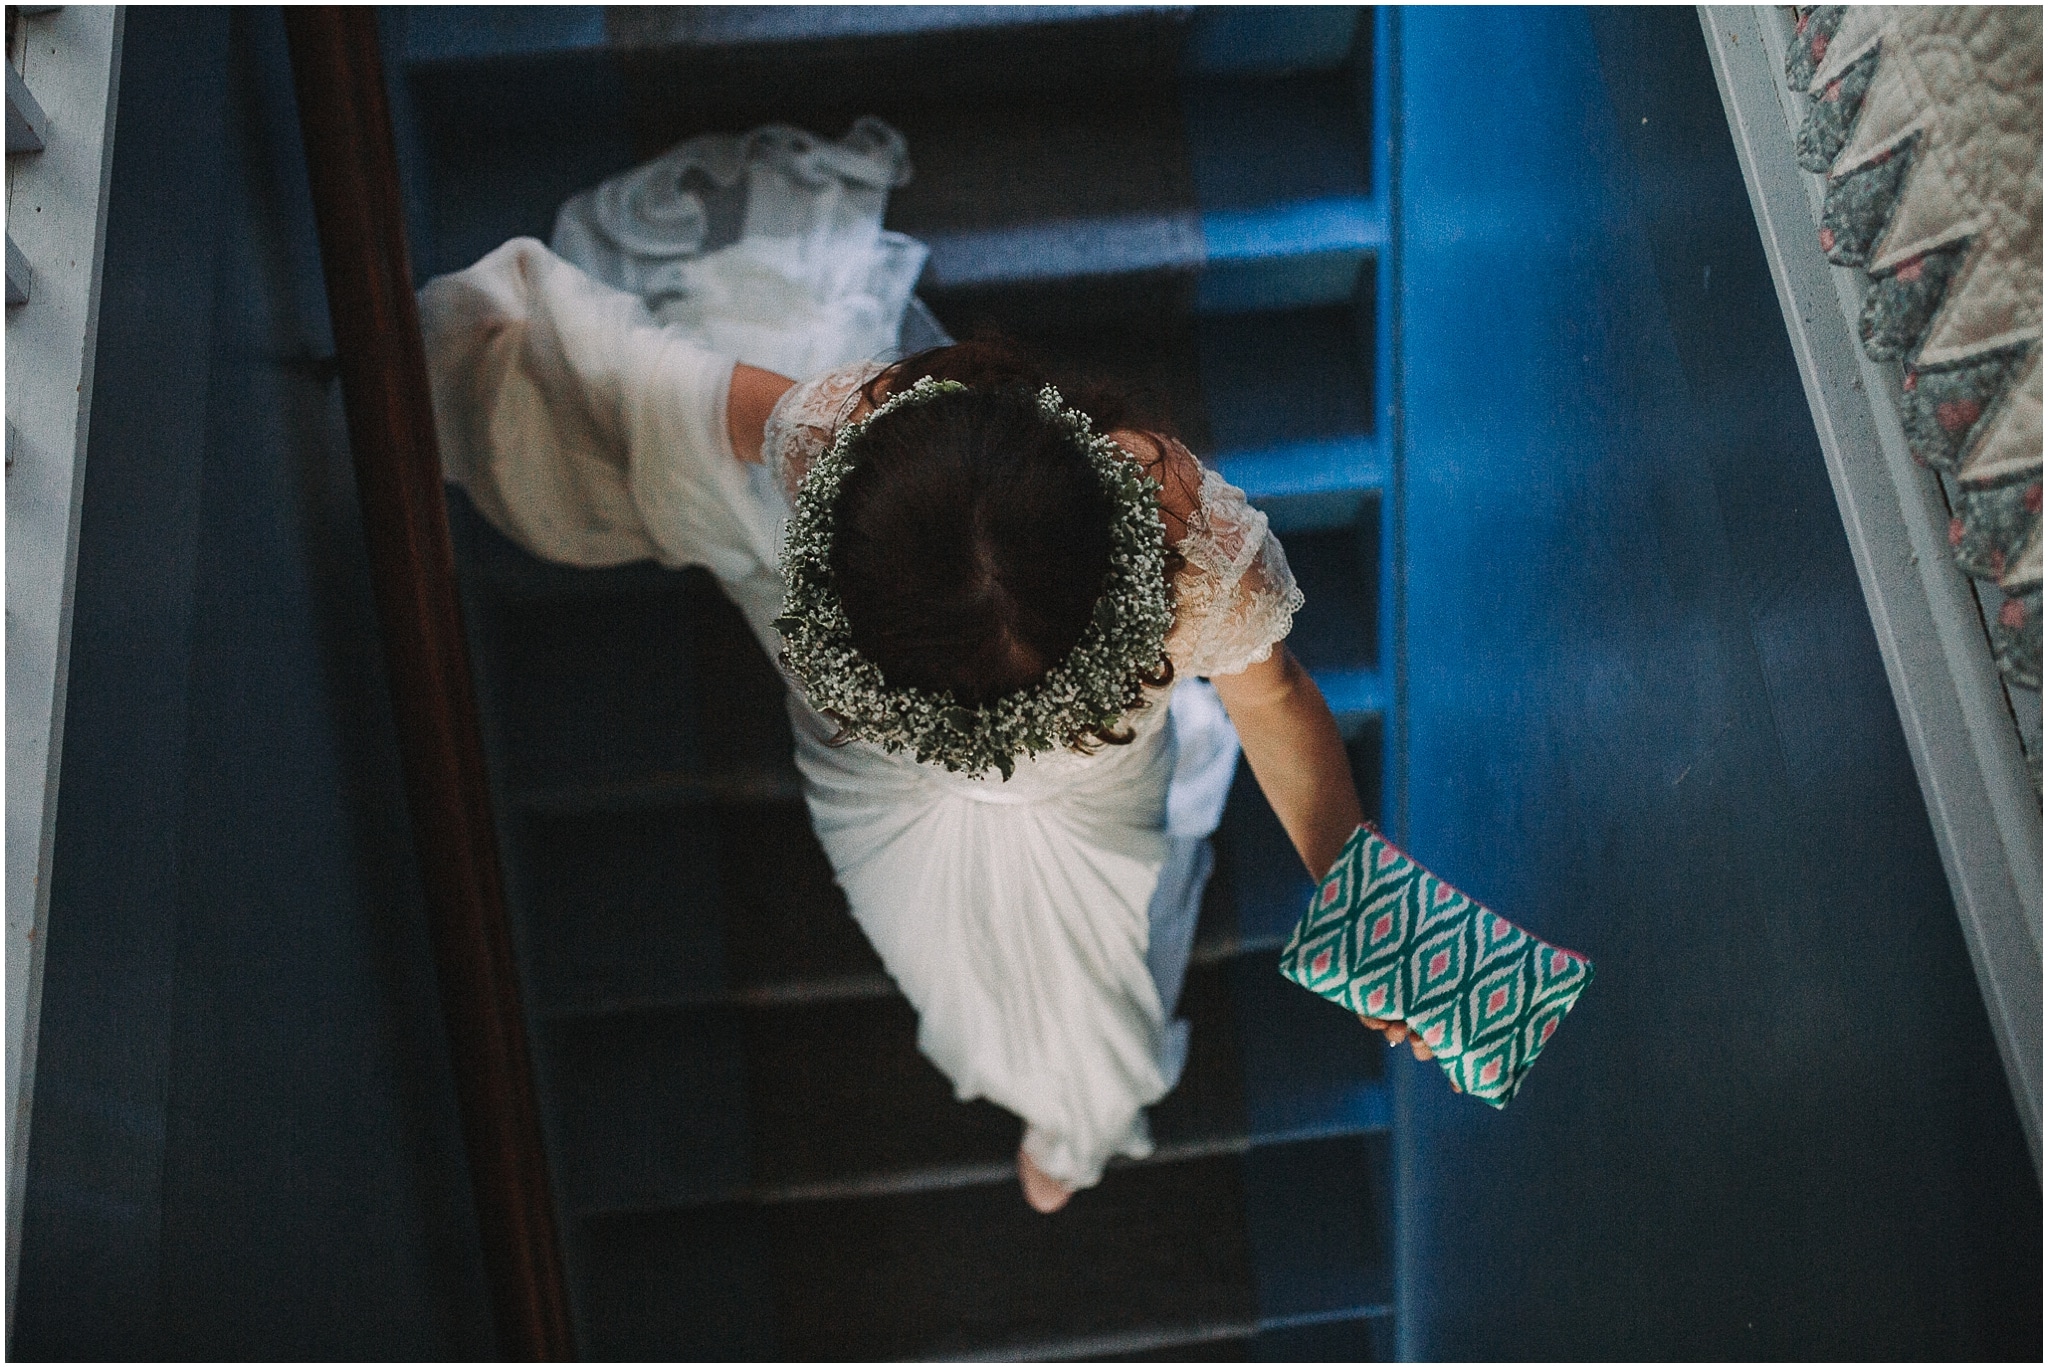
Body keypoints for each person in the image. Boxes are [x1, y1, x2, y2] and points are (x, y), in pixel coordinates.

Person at [419, 123, 1403, 1214]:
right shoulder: (859, 451)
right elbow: (1272, 693)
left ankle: (1074, 1113)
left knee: (1086, 972)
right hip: (885, 792)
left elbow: (1271, 698)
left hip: (1045, 799)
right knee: (941, 953)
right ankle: (1063, 1115)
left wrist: (1354, 885)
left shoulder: (1154, 532)